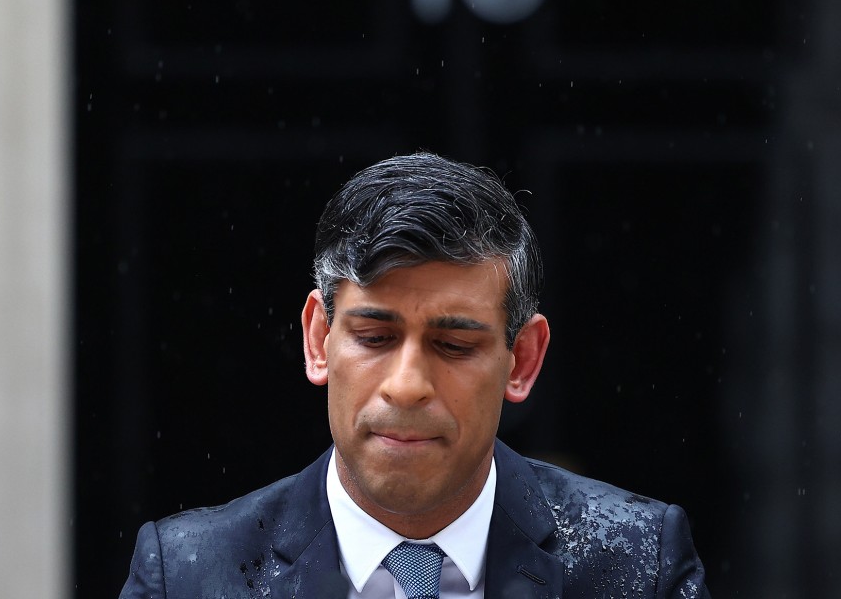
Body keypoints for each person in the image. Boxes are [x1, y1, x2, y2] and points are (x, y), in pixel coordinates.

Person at [118, 152, 711, 599]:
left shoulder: (637, 562)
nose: (406, 385)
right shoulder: (188, 575)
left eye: (453, 345)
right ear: (319, 340)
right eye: (374, 337)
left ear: (523, 359)